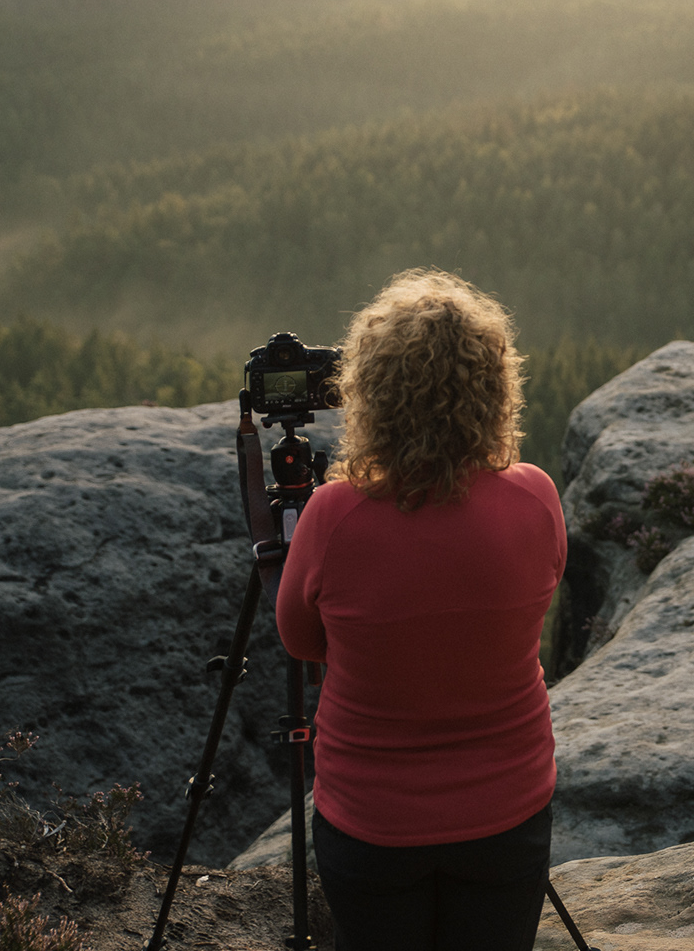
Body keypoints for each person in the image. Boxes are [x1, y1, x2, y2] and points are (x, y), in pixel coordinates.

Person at [276, 269, 566, 951]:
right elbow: (535, 604)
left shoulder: (333, 515)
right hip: (507, 809)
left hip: (372, 823)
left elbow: (299, 640)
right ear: (494, 390)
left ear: (369, 394)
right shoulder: (535, 498)